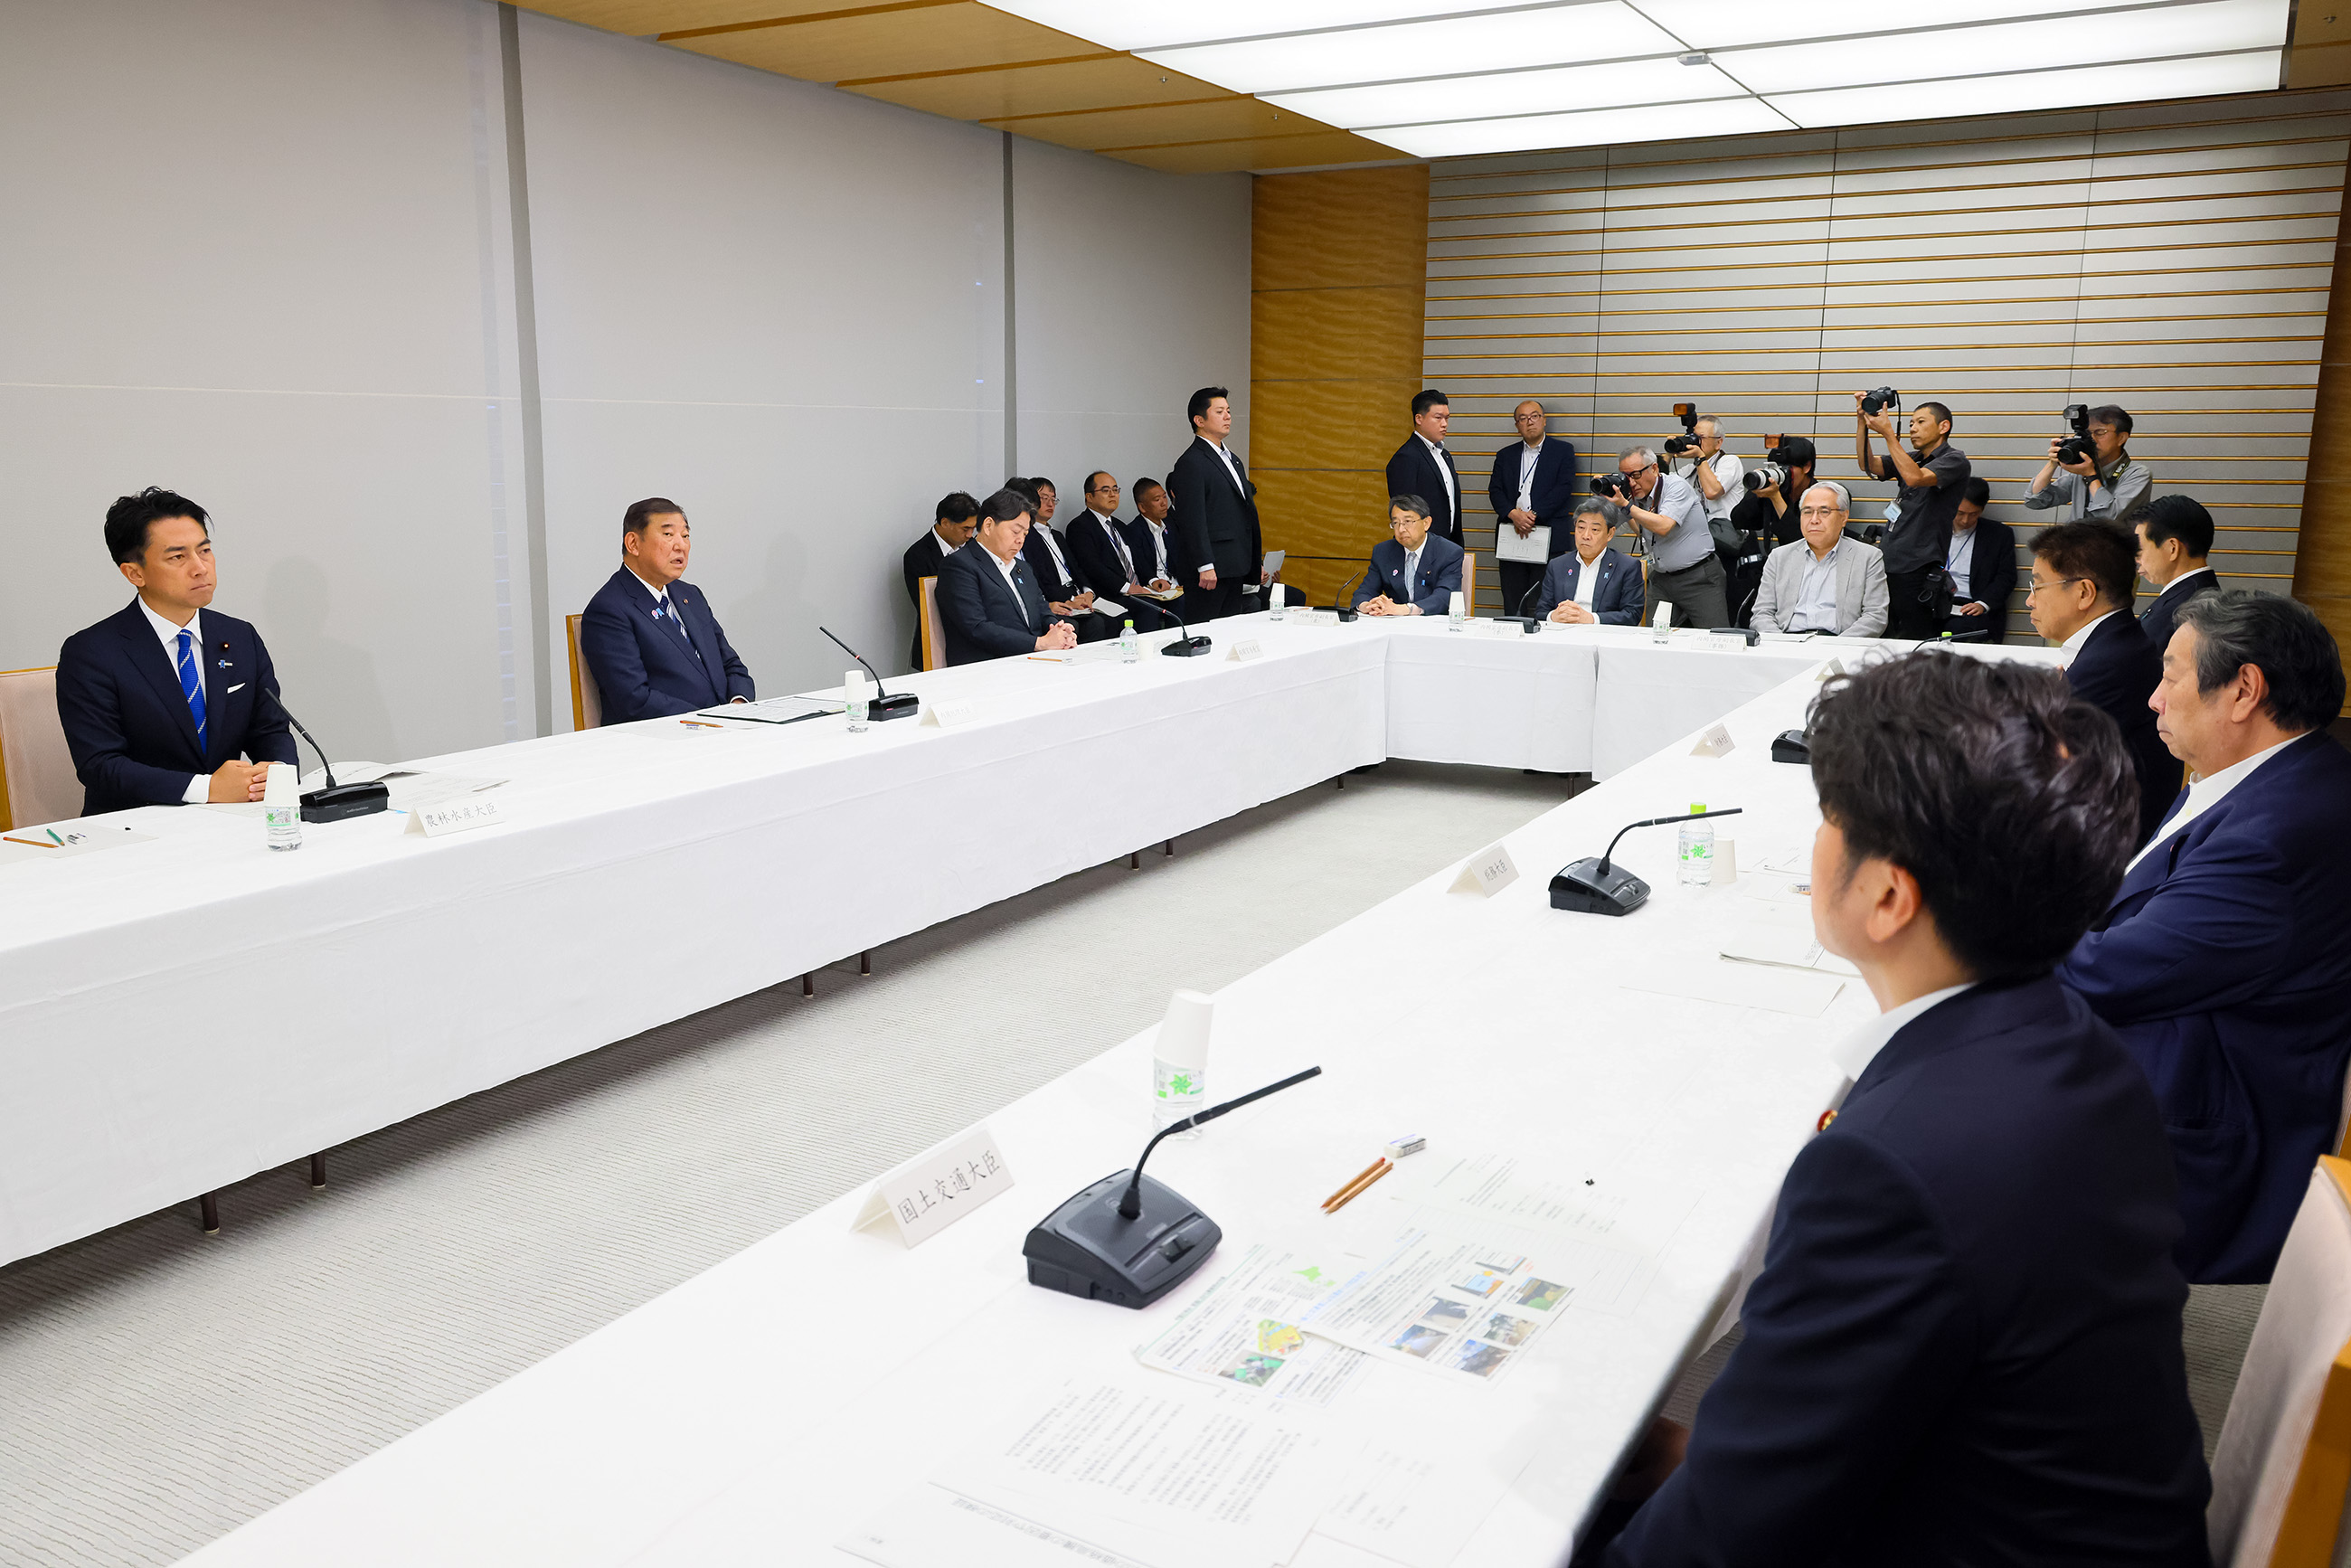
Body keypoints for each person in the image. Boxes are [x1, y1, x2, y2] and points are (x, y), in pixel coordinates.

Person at [1605, 652, 2212, 1568]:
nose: (1816, 841)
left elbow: (1719, 1542)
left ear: (1887, 897)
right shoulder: (2067, 1040)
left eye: (1829, 819)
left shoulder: (1889, 1170)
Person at [2060, 591, 2351, 1285]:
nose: (2154, 700)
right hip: (2192, 1036)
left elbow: (2105, 975)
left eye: (2170, 676)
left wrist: (1969, 906)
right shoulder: (2281, 776)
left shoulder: (2276, 837)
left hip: (2201, 1118)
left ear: (2244, 690)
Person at [55, 486, 297, 816]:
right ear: (134, 573)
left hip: (231, 820)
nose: (200, 568)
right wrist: (207, 789)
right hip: (137, 828)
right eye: (177, 557)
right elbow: (101, 766)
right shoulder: (91, 653)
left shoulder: (240, 636)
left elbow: (270, 730)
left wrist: (276, 774)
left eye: (205, 550)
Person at [2025, 521, 2176, 844]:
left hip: (2106, 851)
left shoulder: (2107, 665)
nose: (2030, 600)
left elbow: (2030, 762)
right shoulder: (2118, 645)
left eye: (2037, 586)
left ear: (2083, 593)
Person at [580, 497, 756, 724]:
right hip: (664, 741)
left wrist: (737, 706)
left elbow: (732, 666)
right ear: (633, 544)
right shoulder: (609, 610)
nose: (681, 545)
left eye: (685, 536)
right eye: (668, 535)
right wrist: (709, 720)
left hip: (721, 730)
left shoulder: (690, 596)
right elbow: (635, 701)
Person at [1855, 394, 1971, 639]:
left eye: (1920, 422)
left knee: (1911, 640)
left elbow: (1916, 478)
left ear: (1943, 427)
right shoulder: (1912, 458)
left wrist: (1888, 434)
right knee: (1882, 636)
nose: (1913, 429)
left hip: (1919, 566)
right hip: (1888, 561)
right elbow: (1868, 464)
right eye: (1909, 424)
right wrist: (1862, 423)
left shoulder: (1954, 460)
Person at [937, 488, 1078, 665]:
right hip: (988, 665)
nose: (1020, 540)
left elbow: (1041, 608)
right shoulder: (959, 566)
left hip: (1031, 660)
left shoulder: (1022, 568)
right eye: (1015, 531)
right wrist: (1039, 643)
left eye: (1025, 534)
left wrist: (1057, 629)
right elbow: (977, 628)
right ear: (988, 526)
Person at [1166, 386, 1266, 621]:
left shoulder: (1234, 460)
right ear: (1199, 420)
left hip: (1234, 563)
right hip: (1210, 569)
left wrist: (1253, 561)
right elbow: (1192, 519)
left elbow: (1242, 514)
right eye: (1220, 411)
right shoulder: (1191, 462)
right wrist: (1204, 565)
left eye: (1229, 411)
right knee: (1205, 630)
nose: (1228, 416)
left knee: (1228, 630)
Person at [1749, 482, 1889, 638]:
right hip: (1788, 642)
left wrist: (1837, 647)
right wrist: (1781, 643)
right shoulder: (1779, 557)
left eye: (1824, 512)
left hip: (1841, 645)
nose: (1814, 520)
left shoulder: (1868, 557)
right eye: (1807, 512)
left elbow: (1875, 616)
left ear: (1844, 517)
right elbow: (1762, 613)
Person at [1611, 446, 1724, 628]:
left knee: (1713, 637)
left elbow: (1664, 526)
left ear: (1654, 468)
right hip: (1662, 580)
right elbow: (1607, 524)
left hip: (1698, 577)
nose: (1631, 482)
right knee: (1652, 637)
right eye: (1626, 477)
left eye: (1636, 475)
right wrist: (1606, 497)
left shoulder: (1676, 485)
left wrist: (1626, 505)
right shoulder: (1631, 494)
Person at [1489, 399, 1578, 614]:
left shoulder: (1563, 451)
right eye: (1523, 418)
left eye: (1534, 416)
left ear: (1544, 420)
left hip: (1547, 535)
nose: (1529, 422)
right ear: (1517, 425)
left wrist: (1533, 516)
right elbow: (1495, 490)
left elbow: (1564, 489)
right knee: (1512, 599)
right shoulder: (1505, 455)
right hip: (1512, 533)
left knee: (1547, 601)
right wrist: (1513, 514)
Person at [1725, 436, 1814, 623]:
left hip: (1812, 576)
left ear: (1807, 467)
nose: (1780, 474)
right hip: (1779, 575)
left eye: (1786, 469)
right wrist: (1757, 489)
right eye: (1776, 468)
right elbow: (1739, 520)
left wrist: (1776, 498)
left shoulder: (1820, 497)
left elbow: (1800, 540)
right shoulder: (1776, 491)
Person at [2025, 403, 2149, 524]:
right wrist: (2053, 463)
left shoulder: (2138, 474)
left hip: (2113, 545)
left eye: (2100, 432)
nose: (2092, 439)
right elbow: (2035, 501)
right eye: (2087, 434)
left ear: (2121, 438)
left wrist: (2091, 476)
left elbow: (2109, 518)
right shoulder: (2082, 471)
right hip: (2076, 544)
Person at [1016, 476, 1106, 642]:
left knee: (1109, 620)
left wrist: (1087, 593)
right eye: (1044, 499)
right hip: (1058, 601)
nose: (1050, 504)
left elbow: (1077, 569)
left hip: (1078, 599)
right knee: (1083, 624)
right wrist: (1072, 600)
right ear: (1032, 501)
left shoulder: (1057, 535)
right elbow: (1041, 580)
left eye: (1053, 499)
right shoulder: (1027, 538)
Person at [2134, 495, 2220, 657]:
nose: (2137, 559)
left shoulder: (2184, 611)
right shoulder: (2195, 593)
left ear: (2172, 548)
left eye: (2140, 549)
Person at [1533, 499, 1642, 625]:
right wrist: (1553, 617)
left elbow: (1632, 614)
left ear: (1610, 533)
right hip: (1563, 635)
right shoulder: (1557, 565)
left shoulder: (1626, 567)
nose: (1585, 536)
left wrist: (1592, 619)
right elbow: (1541, 612)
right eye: (1581, 528)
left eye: (1595, 530)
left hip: (1604, 637)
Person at [1350, 496, 1463, 617]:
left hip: (1433, 624)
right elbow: (1365, 591)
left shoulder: (1449, 552)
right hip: (1394, 625)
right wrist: (1368, 605)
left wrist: (1407, 609)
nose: (1401, 529)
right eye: (1395, 523)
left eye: (1407, 522)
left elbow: (1445, 596)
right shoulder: (1383, 551)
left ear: (1426, 523)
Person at [902, 491, 978, 669]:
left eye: (973, 528)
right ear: (945, 523)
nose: (970, 535)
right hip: (937, 643)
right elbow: (928, 607)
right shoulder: (918, 555)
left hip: (974, 647)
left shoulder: (974, 549)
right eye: (965, 529)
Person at [1940, 477, 2016, 643]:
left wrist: (1983, 603)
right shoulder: (1934, 530)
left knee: (1962, 632)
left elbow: (2006, 577)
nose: (1966, 520)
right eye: (1960, 513)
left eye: (1973, 514)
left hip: (1972, 605)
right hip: (1936, 603)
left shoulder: (1999, 534)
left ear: (1982, 509)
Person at [1386, 389, 1463, 547]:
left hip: (1448, 547)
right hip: (1421, 549)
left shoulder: (1445, 455)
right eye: (1438, 418)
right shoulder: (1406, 457)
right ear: (1419, 418)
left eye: (1447, 418)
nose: (1444, 424)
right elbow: (1404, 514)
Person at [1667, 415, 1744, 567]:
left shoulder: (1730, 462)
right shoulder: (1691, 469)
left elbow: (1712, 491)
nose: (1696, 442)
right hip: (1700, 546)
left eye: (1701, 438)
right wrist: (1670, 452)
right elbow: (1659, 484)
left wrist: (1699, 457)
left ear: (1719, 442)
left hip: (1727, 545)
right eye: (1693, 437)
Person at [1125, 477, 1183, 602]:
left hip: (1176, 584)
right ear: (1142, 507)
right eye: (1157, 500)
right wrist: (1154, 580)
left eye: (1164, 497)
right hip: (1153, 587)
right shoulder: (1134, 531)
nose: (1164, 503)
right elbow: (1140, 566)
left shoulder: (1171, 524)